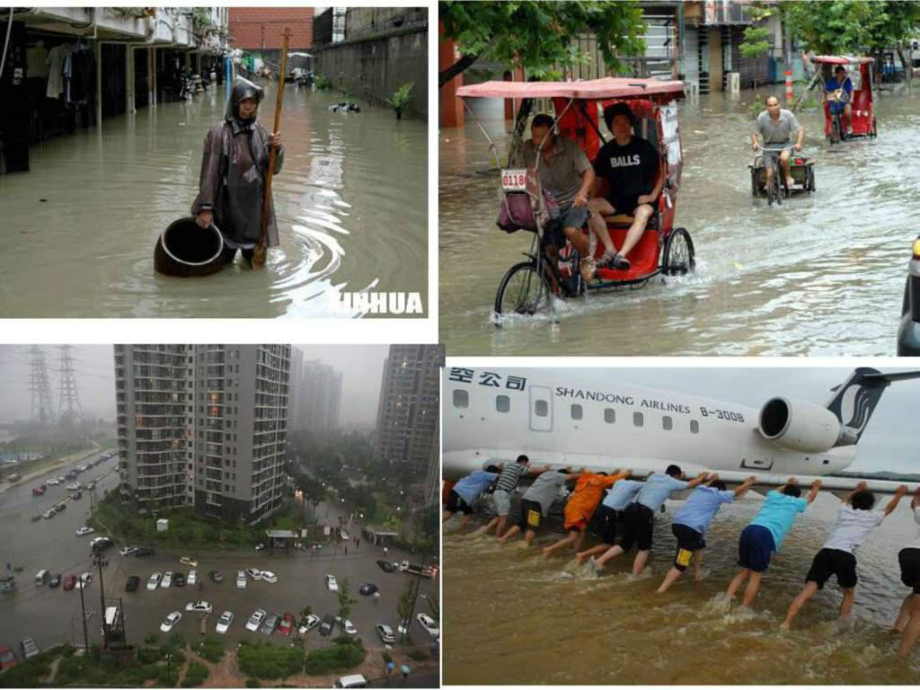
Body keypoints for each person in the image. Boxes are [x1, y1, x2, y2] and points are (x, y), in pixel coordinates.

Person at [781, 482, 907, 630]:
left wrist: (857, 489)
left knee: (808, 590)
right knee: (848, 593)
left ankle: (786, 623)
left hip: (826, 551)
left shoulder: (844, 511)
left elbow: (844, 500)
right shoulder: (873, 516)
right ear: (872, 505)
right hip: (845, 555)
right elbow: (888, 509)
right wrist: (900, 494)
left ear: (853, 501)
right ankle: (842, 624)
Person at [192, 76, 284, 266]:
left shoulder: (260, 131)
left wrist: (276, 150)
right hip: (227, 209)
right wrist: (206, 208)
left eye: (253, 102)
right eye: (244, 102)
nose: (249, 107)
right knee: (220, 264)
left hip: (255, 210)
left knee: (255, 267)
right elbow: (210, 173)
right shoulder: (219, 134)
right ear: (235, 102)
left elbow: (272, 170)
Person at [588, 465, 708, 576]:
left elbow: (653, 474)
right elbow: (691, 484)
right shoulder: (671, 481)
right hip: (643, 513)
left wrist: (680, 476)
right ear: (677, 475)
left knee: (625, 544)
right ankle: (636, 575)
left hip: (630, 509)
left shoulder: (654, 477)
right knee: (644, 548)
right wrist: (702, 476)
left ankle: (599, 561)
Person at [587, 102, 662, 272]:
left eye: (626, 122)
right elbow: (598, 180)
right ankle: (610, 248)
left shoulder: (644, 147)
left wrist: (652, 197)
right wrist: (590, 198)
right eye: (617, 123)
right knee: (589, 207)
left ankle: (622, 254)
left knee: (643, 213)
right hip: (616, 199)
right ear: (611, 127)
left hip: (641, 199)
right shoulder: (606, 152)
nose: (622, 126)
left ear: (631, 125)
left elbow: (662, 175)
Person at [725, 477, 820, 608]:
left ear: (783, 491)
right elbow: (811, 497)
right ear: (797, 496)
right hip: (765, 534)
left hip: (749, 529)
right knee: (755, 576)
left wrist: (789, 483)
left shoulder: (773, 496)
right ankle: (743, 608)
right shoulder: (796, 502)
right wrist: (816, 486)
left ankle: (726, 600)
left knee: (743, 571)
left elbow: (777, 489)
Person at [522, 114, 596, 281]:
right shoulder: (527, 148)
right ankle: (554, 290)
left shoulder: (569, 147)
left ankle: (587, 259)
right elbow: (521, 174)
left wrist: (582, 194)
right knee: (548, 248)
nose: (537, 141)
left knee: (570, 229)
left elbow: (589, 172)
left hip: (572, 200)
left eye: (542, 137)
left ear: (552, 134)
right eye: (534, 136)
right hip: (546, 204)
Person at [656, 474, 757, 594]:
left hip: (678, 525)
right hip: (690, 530)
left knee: (699, 544)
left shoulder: (699, 490)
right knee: (681, 564)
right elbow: (735, 492)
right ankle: (660, 591)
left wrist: (712, 480)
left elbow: (709, 485)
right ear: (721, 490)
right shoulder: (717, 495)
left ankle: (698, 575)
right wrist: (748, 483)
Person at [542, 469, 632, 558]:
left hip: (572, 509)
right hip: (579, 512)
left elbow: (610, 478)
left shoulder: (585, 480)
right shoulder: (600, 481)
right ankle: (549, 549)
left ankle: (574, 552)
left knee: (581, 533)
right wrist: (626, 473)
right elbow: (613, 479)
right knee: (572, 537)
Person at [498, 468, 581, 547]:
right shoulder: (558, 476)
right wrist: (585, 473)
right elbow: (573, 476)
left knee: (522, 523)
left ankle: (503, 539)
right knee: (533, 527)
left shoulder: (546, 474)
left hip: (526, 500)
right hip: (535, 504)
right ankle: (525, 545)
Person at [574, 475, 645, 564]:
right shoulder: (636, 484)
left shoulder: (619, 481)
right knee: (608, 543)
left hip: (600, 510)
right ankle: (582, 554)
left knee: (604, 539)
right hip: (609, 513)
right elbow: (651, 485)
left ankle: (596, 560)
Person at [475, 455, 550, 538]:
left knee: (499, 516)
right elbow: (533, 470)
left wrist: (500, 466)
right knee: (504, 518)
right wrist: (545, 469)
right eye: (526, 464)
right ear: (523, 462)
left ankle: (485, 530)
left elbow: (503, 469)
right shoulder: (518, 466)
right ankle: (497, 538)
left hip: (498, 492)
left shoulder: (510, 465)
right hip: (503, 494)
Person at [751, 95, 803, 192]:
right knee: (769, 174)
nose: (773, 108)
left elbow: (800, 130)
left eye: (775, 105)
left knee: (784, 157)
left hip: (785, 144)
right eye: (770, 105)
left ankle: (787, 176)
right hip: (769, 147)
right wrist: (755, 143)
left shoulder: (787, 115)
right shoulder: (762, 117)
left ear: (779, 105)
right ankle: (770, 192)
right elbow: (754, 133)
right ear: (766, 107)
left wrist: (799, 143)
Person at [893, 486, 920, 657]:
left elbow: (915, 503)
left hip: (908, 554)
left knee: (915, 592)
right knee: (919, 613)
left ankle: (898, 626)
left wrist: (918, 494)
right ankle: (901, 656)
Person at [442, 466, 501, 530]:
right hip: (461, 494)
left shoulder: (478, 472)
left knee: (468, 513)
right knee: (450, 512)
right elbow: (499, 476)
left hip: (458, 491)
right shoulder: (486, 475)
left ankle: (458, 529)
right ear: (493, 473)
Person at [824, 65, 853, 135]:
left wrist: (852, 98)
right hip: (834, 103)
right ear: (836, 74)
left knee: (848, 111)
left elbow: (851, 91)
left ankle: (849, 126)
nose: (842, 75)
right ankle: (833, 130)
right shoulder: (831, 81)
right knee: (833, 117)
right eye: (840, 73)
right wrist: (826, 99)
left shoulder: (847, 80)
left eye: (843, 73)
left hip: (845, 102)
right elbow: (826, 91)